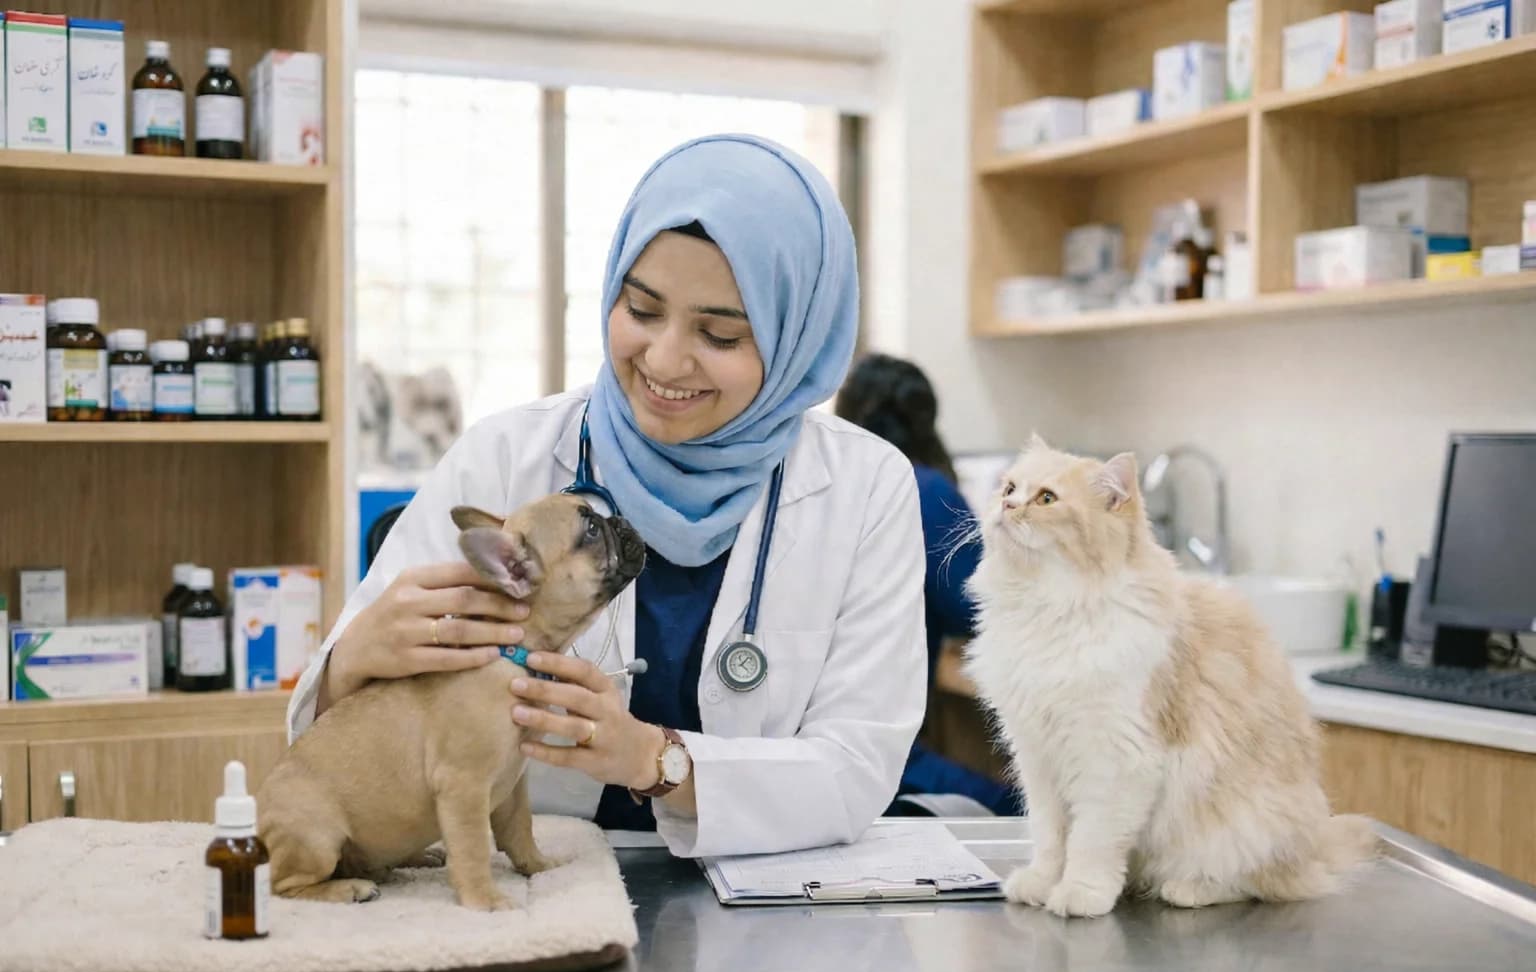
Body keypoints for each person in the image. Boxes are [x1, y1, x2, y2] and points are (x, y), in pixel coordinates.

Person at [287, 135, 927, 859]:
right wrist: (351, 662)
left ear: (794, 343)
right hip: (532, 881)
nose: (663, 360)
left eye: (719, 333)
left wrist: (654, 761)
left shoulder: (865, 487)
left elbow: (858, 767)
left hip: (769, 893)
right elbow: (331, 737)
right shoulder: (506, 457)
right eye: (642, 309)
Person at [835, 354, 1024, 816]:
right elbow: (979, 608)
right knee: (1028, 811)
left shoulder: (836, 479)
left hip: (829, 739)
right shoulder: (921, 487)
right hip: (874, 752)